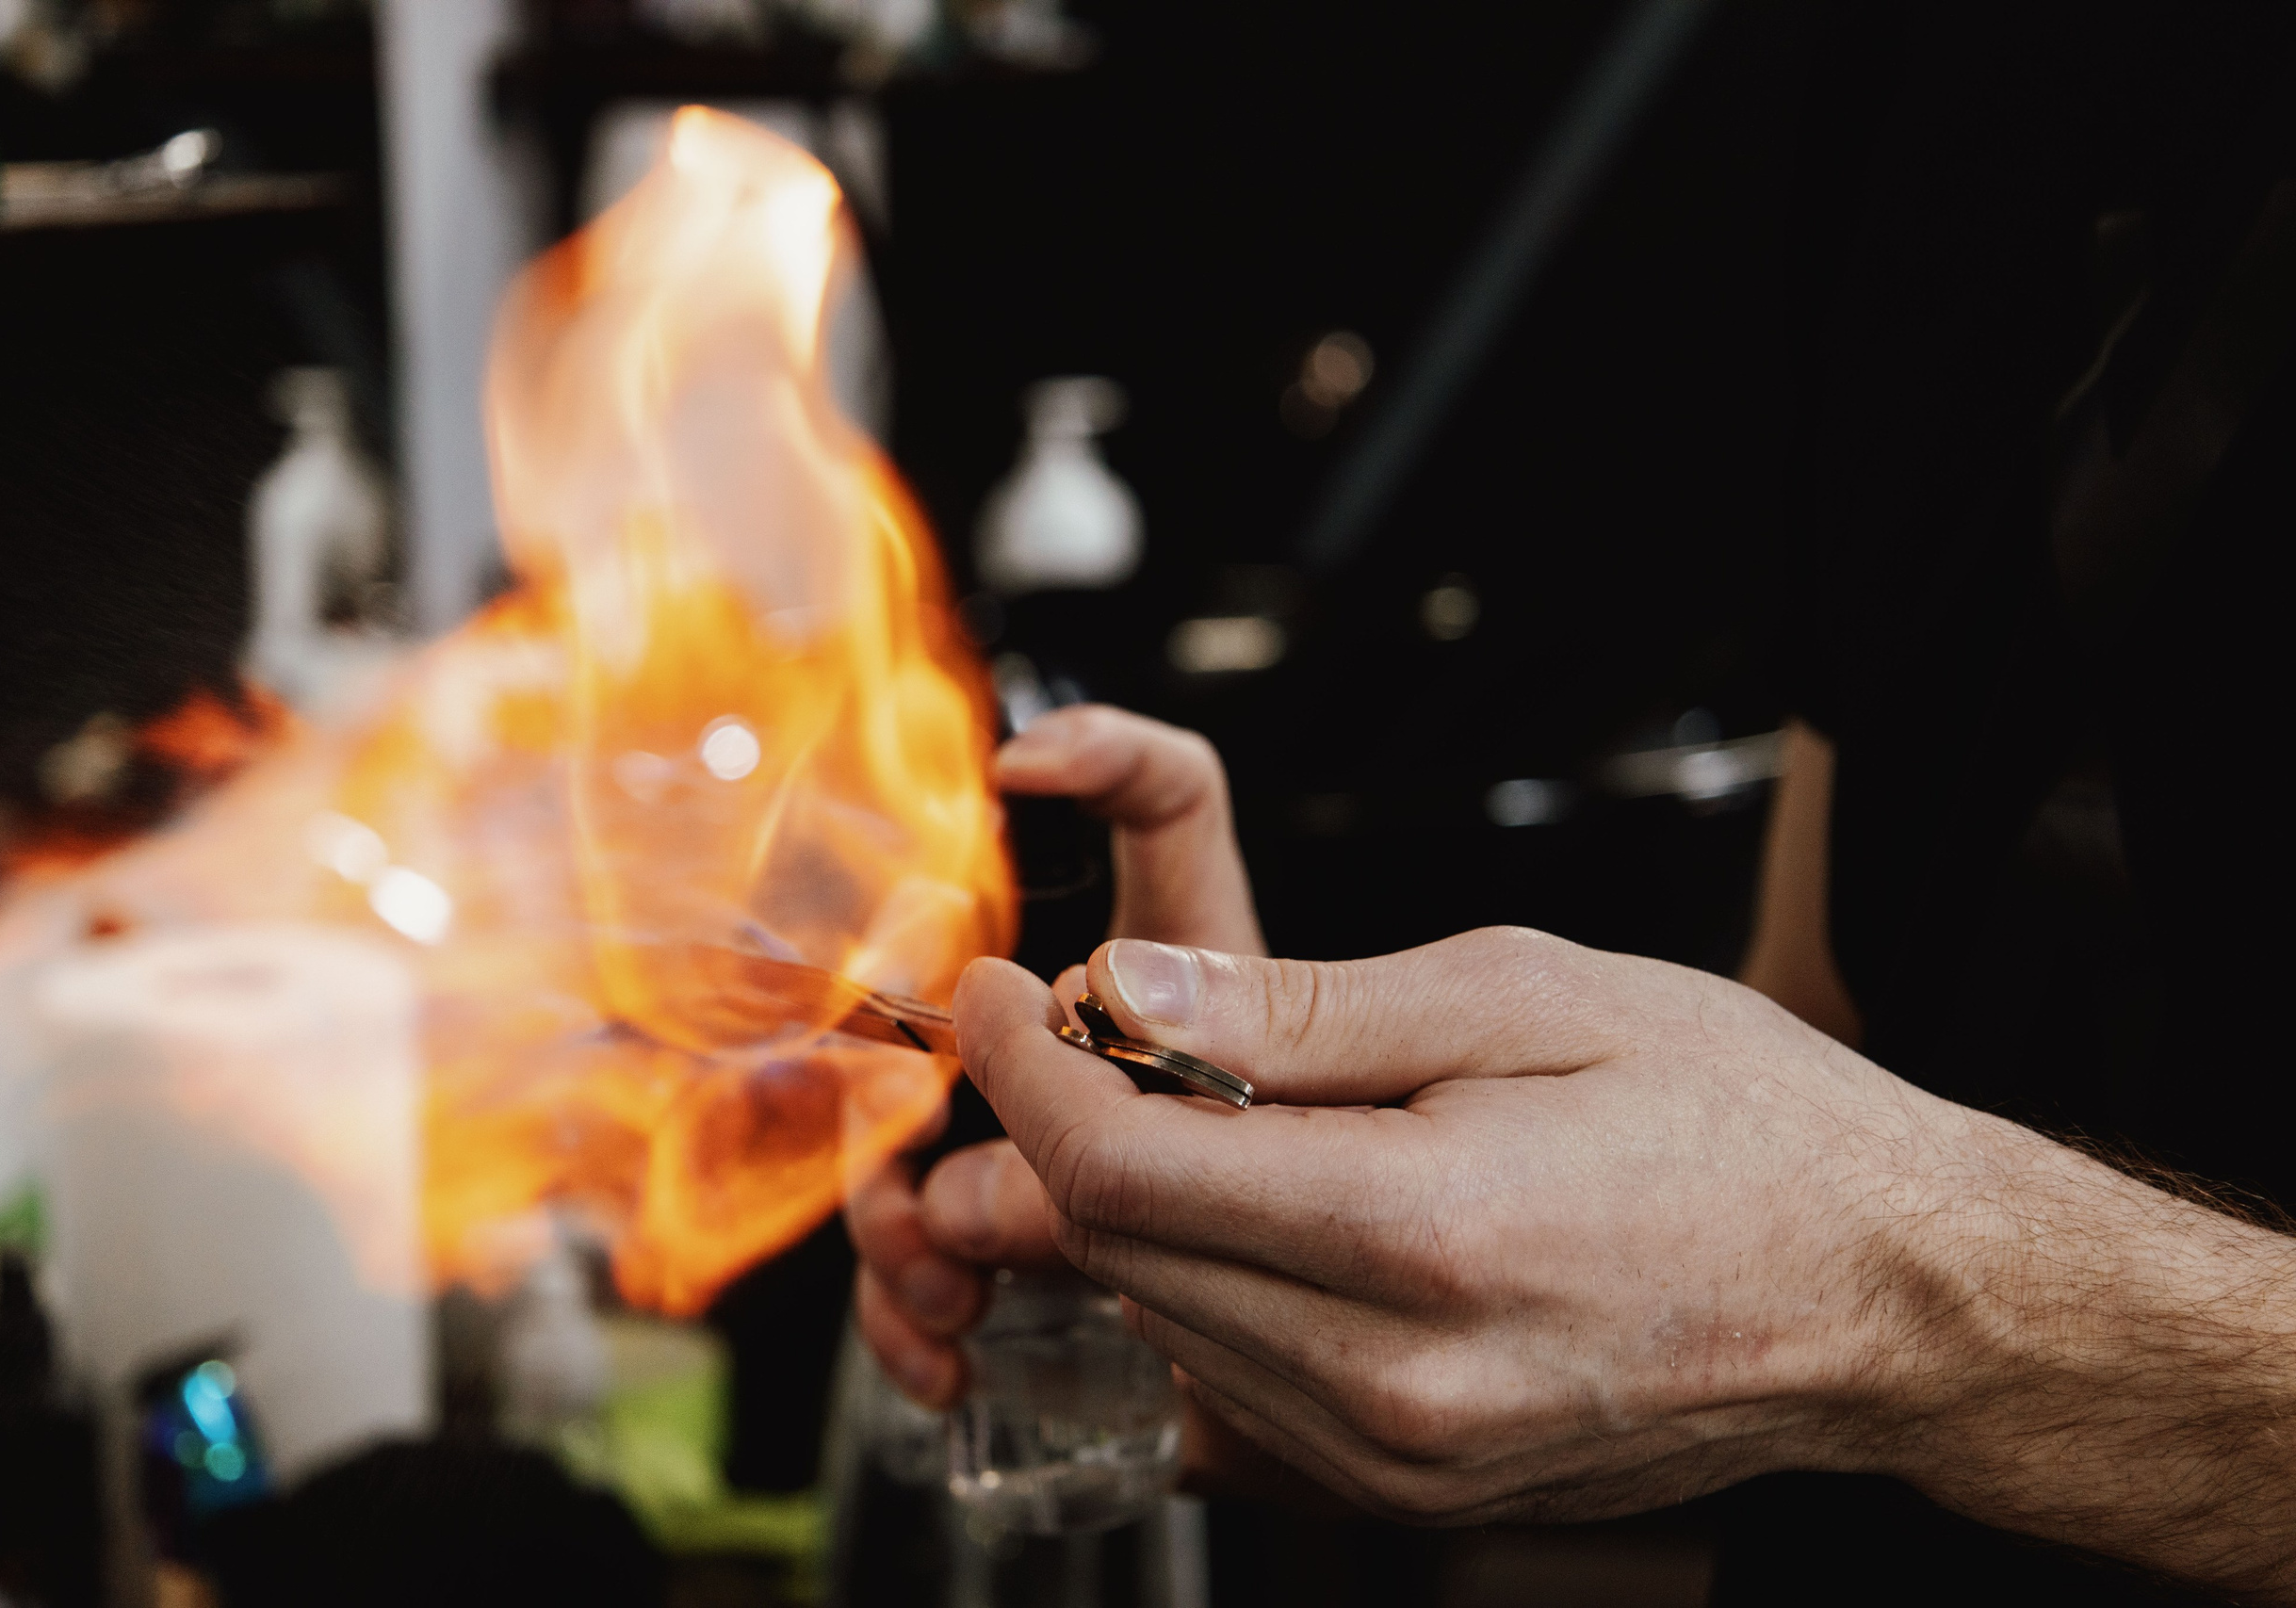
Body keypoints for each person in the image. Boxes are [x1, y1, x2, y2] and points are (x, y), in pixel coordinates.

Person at [853, 4, 2296, 1601]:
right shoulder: (1939, 73)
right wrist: (1395, 1279)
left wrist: (1909, 1302)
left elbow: (1850, 1254)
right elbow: (1833, 1009)